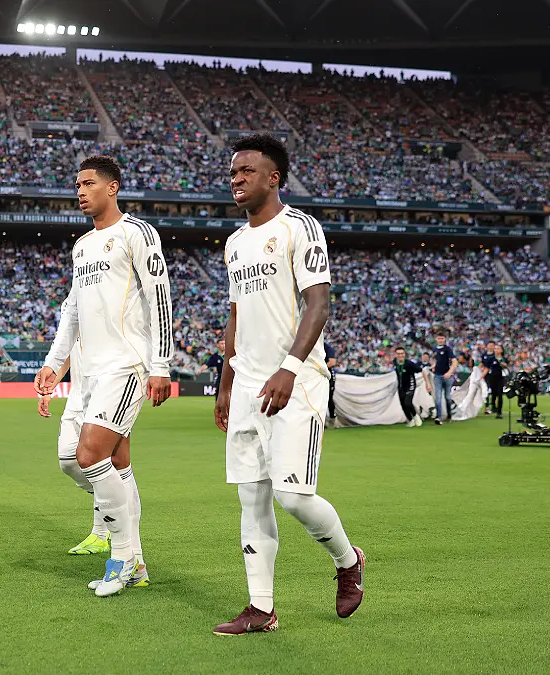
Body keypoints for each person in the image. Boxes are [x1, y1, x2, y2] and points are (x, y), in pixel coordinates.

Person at [212, 134, 364, 635]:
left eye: (247, 172)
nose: (236, 179)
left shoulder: (300, 227)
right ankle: (261, 608)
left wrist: (290, 368)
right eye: (233, 173)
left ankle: (347, 561)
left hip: (296, 381)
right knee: (251, 498)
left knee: (293, 495)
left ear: (273, 177)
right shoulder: (235, 243)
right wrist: (226, 380)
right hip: (249, 384)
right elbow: (234, 318)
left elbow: (318, 305)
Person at [35, 155, 174, 597]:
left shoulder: (136, 233)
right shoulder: (81, 247)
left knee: (88, 454)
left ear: (112, 187)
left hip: (126, 365)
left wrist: (161, 366)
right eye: (77, 184)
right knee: (113, 463)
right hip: (92, 372)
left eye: (89, 183)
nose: (80, 191)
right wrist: (56, 363)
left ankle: (122, 558)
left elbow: (160, 300)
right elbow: (73, 311)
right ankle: (135, 562)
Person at [37, 341, 111, 556]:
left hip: (102, 395)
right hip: (76, 397)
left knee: (97, 461)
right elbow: (67, 351)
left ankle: (100, 533)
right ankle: (111, 499)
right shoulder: (71, 310)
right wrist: (50, 387)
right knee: (68, 461)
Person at [393, 347, 427, 427]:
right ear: (395, 354)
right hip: (401, 386)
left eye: (402, 353)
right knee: (403, 405)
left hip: (410, 386)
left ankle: (416, 417)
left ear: (404, 354)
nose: (400, 355)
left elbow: (422, 371)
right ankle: (410, 420)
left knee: (407, 403)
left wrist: (427, 384)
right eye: (398, 354)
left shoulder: (409, 364)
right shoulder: (395, 362)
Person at [431, 333, 458, 425]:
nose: (441, 340)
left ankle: (449, 415)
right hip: (437, 376)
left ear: (445, 339)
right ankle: (439, 417)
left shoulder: (447, 349)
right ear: (436, 339)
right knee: (438, 397)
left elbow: (454, 361)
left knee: (447, 397)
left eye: (442, 338)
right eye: (439, 338)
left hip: (447, 376)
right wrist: (434, 365)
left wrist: (449, 372)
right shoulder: (434, 348)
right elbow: (435, 359)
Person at [484, 342, 507, 419]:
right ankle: (493, 405)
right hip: (492, 378)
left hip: (501, 378)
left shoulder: (504, 358)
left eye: (498, 348)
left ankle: (499, 412)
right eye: (495, 349)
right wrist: (481, 376)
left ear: (501, 350)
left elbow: (506, 365)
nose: (496, 350)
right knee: (494, 394)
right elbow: (487, 368)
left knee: (500, 395)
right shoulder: (491, 358)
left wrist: (501, 362)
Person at [325, 344, 338, 422]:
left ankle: (332, 418)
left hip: (328, 376)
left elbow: (332, 362)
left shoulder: (327, 348)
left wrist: (320, 369)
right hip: (319, 376)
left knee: (329, 397)